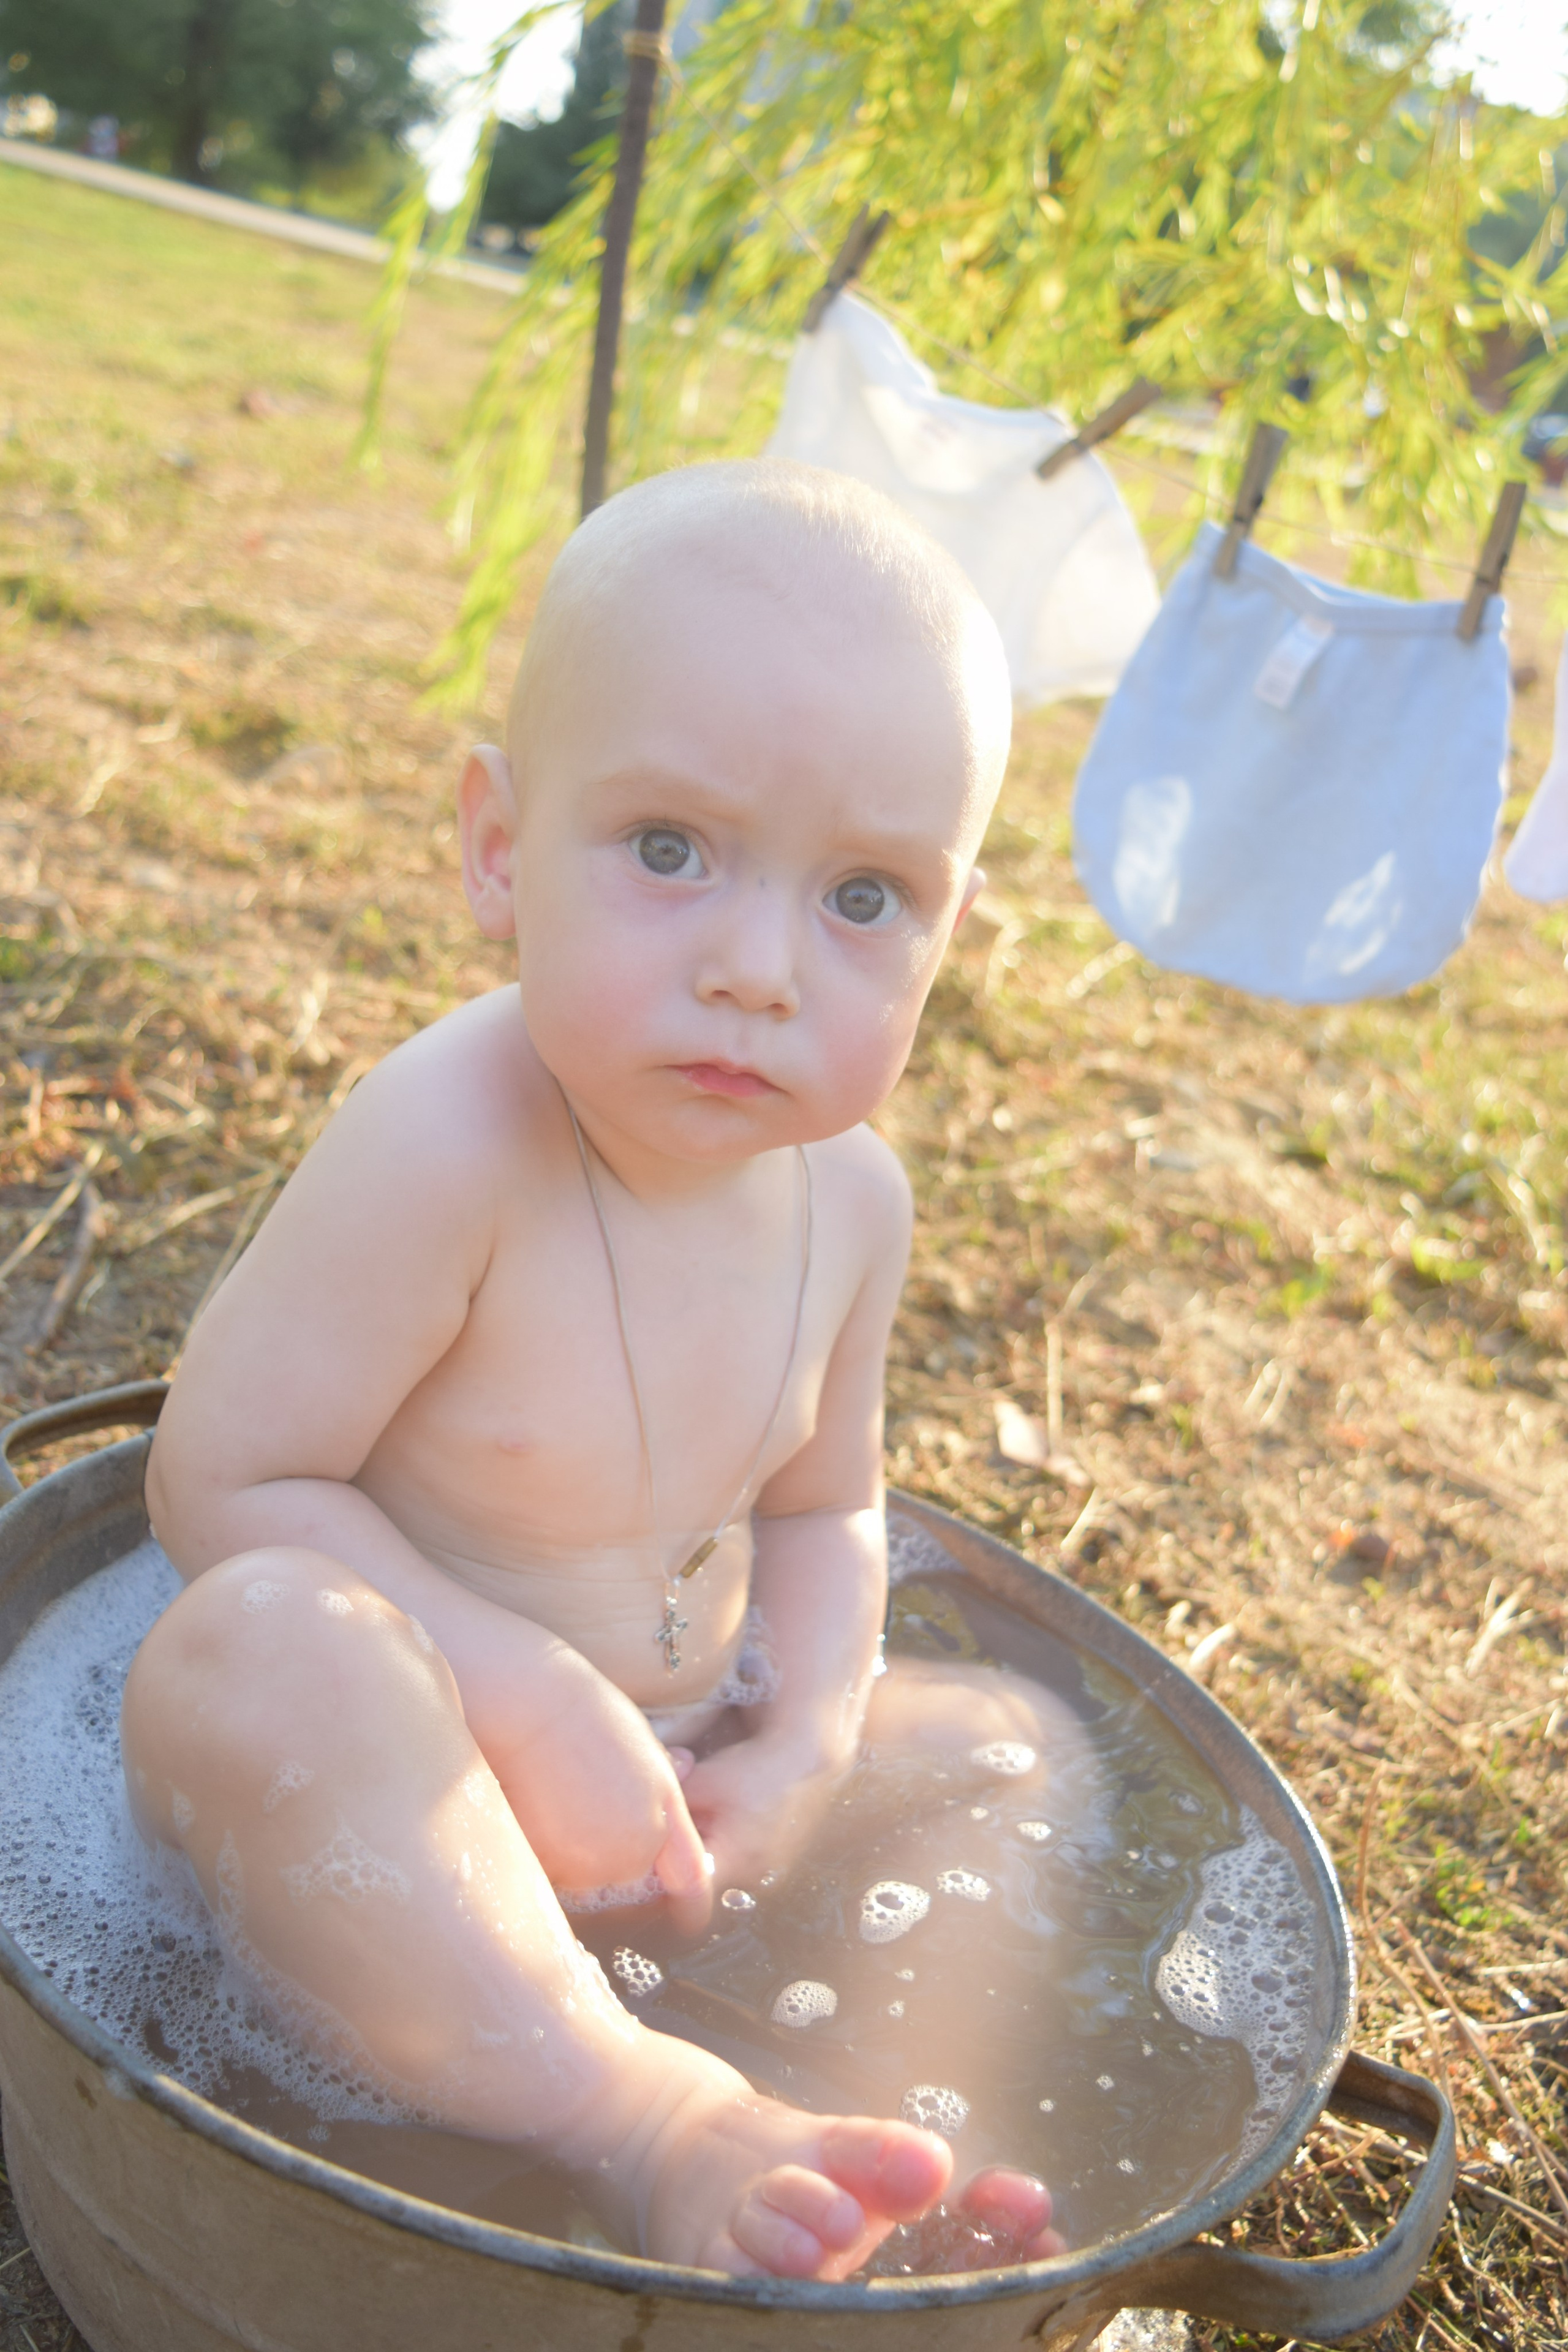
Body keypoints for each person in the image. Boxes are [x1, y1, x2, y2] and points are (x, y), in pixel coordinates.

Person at [122, 459, 1076, 2282]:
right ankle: (636, 2115)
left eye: (866, 897)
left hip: (675, 1788)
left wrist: (802, 1732)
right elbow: (215, 1485)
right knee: (258, 1648)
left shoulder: (853, 1200)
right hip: (400, 1794)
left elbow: (833, 1505)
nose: (756, 970)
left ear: (953, 930)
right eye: (667, 851)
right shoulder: (448, 1141)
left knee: (1018, 1756)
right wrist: (517, 1696)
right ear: (498, 848)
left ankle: (887, 2155)